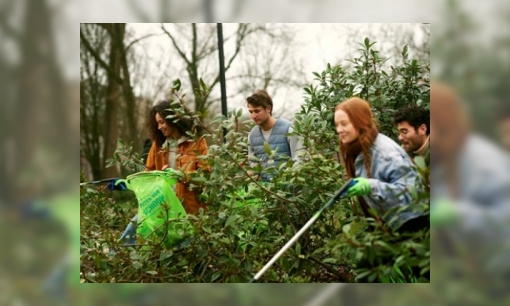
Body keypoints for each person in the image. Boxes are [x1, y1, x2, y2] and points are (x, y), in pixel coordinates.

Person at [334, 97, 429, 281]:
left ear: (359, 121)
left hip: (415, 223)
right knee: (366, 273)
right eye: (337, 124)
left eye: (344, 123)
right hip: (390, 226)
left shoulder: (383, 151)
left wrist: (370, 186)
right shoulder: (359, 149)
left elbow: (411, 191)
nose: (339, 130)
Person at [120, 100, 209, 243]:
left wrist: (180, 175)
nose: (159, 127)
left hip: (187, 208)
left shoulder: (197, 142)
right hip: (161, 205)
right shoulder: (158, 145)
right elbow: (149, 171)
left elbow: (205, 174)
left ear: (174, 119)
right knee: (133, 229)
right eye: (157, 123)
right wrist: (135, 181)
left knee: (187, 249)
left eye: (162, 122)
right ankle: (117, 258)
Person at [246, 89, 303, 182]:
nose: (253, 116)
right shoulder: (252, 136)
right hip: (265, 193)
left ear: (268, 108)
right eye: (251, 112)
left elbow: (300, 160)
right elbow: (253, 164)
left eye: (257, 111)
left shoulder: (289, 129)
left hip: (288, 193)